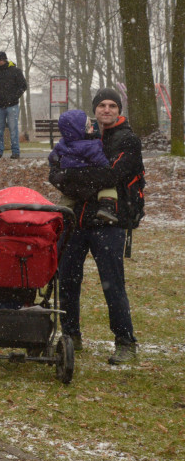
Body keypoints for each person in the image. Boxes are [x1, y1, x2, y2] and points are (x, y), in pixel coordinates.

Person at [48, 88, 144, 365]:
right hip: (75, 220)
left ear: (119, 109)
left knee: (112, 283)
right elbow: (55, 173)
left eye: (112, 105)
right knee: (67, 279)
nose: (107, 110)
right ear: (95, 110)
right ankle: (70, 336)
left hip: (109, 222)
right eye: (102, 105)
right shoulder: (80, 134)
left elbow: (112, 174)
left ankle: (125, 342)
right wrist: (80, 179)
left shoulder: (128, 140)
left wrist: (74, 178)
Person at [47, 109, 118, 225]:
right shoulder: (91, 145)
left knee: (68, 197)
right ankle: (107, 206)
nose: (92, 128)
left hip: (71, 183)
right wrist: (106, 166)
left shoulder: (62, 144)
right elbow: (101, 162)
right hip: (92, 179)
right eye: (89, 127)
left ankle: (61, 214)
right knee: (109, 189)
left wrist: (55, 163)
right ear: (80, 130)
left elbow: (53, 157)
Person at [0, 51, 26, 159]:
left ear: (4, 60)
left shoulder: (15, 71)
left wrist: (14, 97)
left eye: (0, 60)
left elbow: (23, 86)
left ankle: (15, 151)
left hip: (12, 105)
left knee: (13, 129)